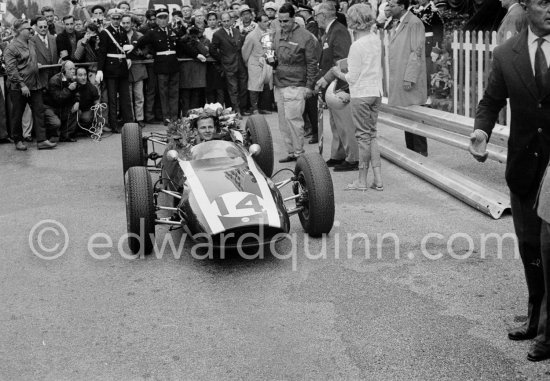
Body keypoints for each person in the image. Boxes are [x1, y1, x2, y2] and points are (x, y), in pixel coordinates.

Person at [468, 0, 550, 362]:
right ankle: (536, 315)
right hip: (524, 167)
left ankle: (547, 331)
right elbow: (490, 101)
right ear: (527, 6)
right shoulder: (505, 54)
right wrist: (481, 132)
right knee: (530, 246)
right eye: (543, 1)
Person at [328, 3, 384, 191]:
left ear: (353, 22)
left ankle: (361, 180)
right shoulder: (376, 39)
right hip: (375, 92)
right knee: (372, 135)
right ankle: (378, 178)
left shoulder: (356, 46)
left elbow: (352, 77)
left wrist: (337, 72)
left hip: (361, 94)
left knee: (362, 138)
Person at [271, 2, 319, 163]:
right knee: (283, 123)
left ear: (294, 19)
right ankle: (291, 152)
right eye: (280, 21)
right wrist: (270, 60)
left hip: (296, 84)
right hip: (279, 83)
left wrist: (309, 86)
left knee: (294, 121)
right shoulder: (277, 34)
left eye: (286, 21)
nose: (283, 24)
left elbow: (312, 63)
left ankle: (299, 153)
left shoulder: (305, 36)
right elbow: (274, 55)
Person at [315, 2, 359, 172]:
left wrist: (328, 78)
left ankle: (353, 158)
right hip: (333, 84)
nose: (315, 19)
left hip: (340, 84)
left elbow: (342, 60)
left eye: (316, 15)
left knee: (345, 124)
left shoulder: (338, 30)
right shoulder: (331, 30)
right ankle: (338, 155)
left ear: (323, 16)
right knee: (336, 124)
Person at [4, 19, 56, 151]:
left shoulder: (30, 43)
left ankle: (42, 140)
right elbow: (11, 70)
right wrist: (22, 85)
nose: (31, 30)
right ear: (19, 31)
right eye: (27, 28)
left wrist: (35, 64)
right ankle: (18, 140)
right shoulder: (11, 48)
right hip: (19, 88)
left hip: (35, 85)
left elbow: (31, 59)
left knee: (39, 111)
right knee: (18, 113)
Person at [387, 0, 428, 156]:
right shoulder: (400, 22)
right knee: (407, 117)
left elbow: (416, 52)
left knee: (415, 118)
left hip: (410, 79)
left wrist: (409, 78)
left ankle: (421, 155)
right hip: (403, 78)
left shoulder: (414, 23)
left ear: (402, 6)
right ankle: (412, 154)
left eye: (392, 5)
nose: (389, 8)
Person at [96, 8, 133, 132]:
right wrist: (99, 69)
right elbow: (102, 52)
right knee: (112, 99)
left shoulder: (122, 31)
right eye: (114, 18)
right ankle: (114, 124)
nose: (116, 21)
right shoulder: (105, 32)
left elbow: (125, 47)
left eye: (118, 18)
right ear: (110, 18)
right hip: (111, 69)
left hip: (122, 68)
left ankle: (129, 122)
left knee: (125, 97)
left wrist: (127, 57)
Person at [211, 12, 250, 117]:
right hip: (228, 65)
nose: (227, 23)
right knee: (233, 89)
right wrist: (222, 59)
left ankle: (242, 108)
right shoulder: (217, 34)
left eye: (228, 20)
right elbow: (212, 50)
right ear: (221, 22)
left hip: (240, 64)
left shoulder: (237, 31)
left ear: (231, 20)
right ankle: (236, 110)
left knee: (243, 87)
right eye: (224, 21)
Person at [242, 12, 273, 114]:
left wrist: (270, 59)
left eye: (267, 21)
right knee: (254, 87)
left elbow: (270, 48)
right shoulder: (251, 35)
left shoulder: (269, 32)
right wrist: (247, 62)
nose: (267, 23)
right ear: (258, 22)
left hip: (266, 62)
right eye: (264, 21)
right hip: (254, 63)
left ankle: (263, 107)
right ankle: (254, 108)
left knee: (266, 85)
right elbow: (245, 51)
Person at [43, 60, 79, 142]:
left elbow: (77, 93)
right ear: (64, 70)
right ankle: (50, 134)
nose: (73, 71)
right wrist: (69, 89)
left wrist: (77, 101)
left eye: (74, 68)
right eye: (70, 69)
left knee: (75, 110)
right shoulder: (54, 80)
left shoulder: (72, 79)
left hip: (61, 106)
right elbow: (57, 98)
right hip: (50, 107)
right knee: (56, 123)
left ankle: (66, 135)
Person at [122, 14, 148, 127]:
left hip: (138, 68)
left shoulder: (139, 35)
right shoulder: (118, 35)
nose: (126, 25)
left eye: (128, 22)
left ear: (132, 23)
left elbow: (146, 48)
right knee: (128, 96)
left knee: (139, 96)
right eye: (124, 23)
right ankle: (130, 118)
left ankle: (140, 118)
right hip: (124, 69)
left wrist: (142, 53)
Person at [32, 16, 58, 90]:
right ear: (36, 27)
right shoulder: (31, 40)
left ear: (48, 27)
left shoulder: (53, 38)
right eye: (40, 27)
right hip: (41, 77)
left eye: (45, 26)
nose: (43, 29)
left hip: (54, 76)